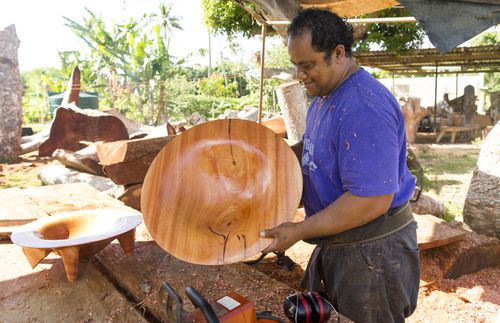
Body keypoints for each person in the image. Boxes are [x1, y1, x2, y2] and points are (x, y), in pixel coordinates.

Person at [261, 8, 419, 323]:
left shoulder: (364, 106)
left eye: (308, 65)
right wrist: (267, 160)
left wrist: (299, 230)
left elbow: (371, 199)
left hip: (373, 252)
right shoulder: (325, 95)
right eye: (296, 66)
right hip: (345, 241)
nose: (300, 76)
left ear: (338, 53)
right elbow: (315, 150)